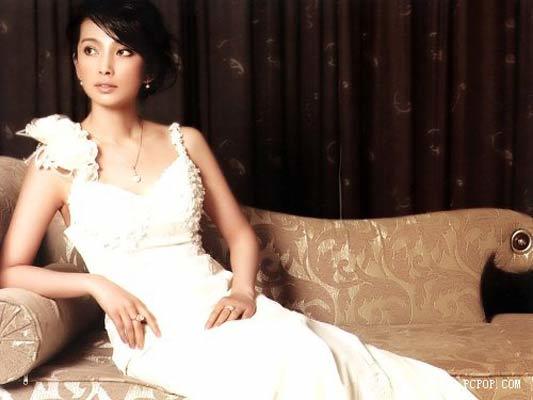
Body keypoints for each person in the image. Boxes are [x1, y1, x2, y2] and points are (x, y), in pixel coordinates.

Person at [0, 1, 478, 399]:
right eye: (91, 50)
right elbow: (10, 270)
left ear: (148, 68)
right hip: (154, 331)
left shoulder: (186, 142)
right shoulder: (56, 161)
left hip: (217, 303)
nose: (105, 66)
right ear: (76, 64)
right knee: (275, 373)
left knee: (308, 353)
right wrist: (97, 285)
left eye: (123, 51)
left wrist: (243, 292)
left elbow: (240, 236)